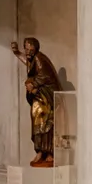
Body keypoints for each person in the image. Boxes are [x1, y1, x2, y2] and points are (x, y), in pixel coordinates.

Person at [10, 37, 61, 168]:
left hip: (47, 97)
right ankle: (40, 151)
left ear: (35, 49)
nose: (27, 52)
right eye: (26, 49)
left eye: (30, 49)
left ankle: (49, 153)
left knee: (48, 123)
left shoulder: (40, 59)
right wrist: (17, 53)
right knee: (36, 121)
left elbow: (45, 75)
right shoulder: (33, 59)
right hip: (39, 97)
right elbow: (27, 62)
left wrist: (33, 84)